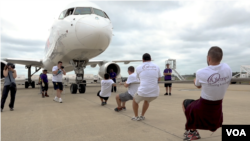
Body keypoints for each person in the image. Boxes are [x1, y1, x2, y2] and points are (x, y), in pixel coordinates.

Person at [182, 46, 232, 141]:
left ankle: (192, 132)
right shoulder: (227, 68)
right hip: (217, 107)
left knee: (186, 103)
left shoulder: (201, 72)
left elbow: (198, 85)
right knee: (193, 103)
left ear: (208, 58)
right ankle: (192, 131)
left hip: (204, 105)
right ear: (220, 58)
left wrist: (194, 80)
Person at [132, 53, 161, 121]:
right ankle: (142, 115)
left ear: (143, 60)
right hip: (155, 92)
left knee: (135, 101)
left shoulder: (139, 67)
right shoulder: (157, 66)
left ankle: (136, 116)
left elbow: (139, 78)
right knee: (147, 100)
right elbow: (159, 79)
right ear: (150, 59)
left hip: (143, 90)